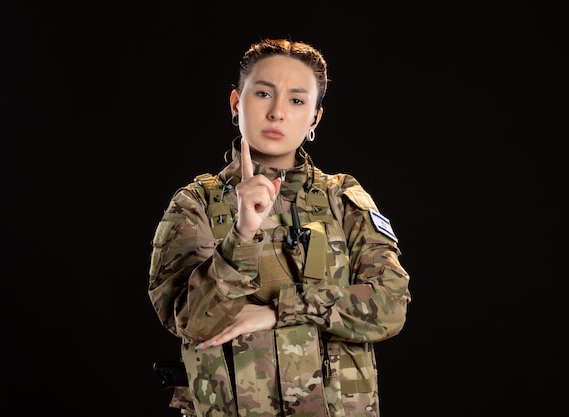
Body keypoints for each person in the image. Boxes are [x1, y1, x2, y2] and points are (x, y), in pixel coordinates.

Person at [148, 38, 411, 417]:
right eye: (263, 94)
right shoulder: (195, 204)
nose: (277, 113)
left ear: (314, 119)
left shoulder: (343, 197)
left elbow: (392, 305)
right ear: (237, 103)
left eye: (297, 100)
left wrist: (280, 310)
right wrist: (242, 234)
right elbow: (191, 321)